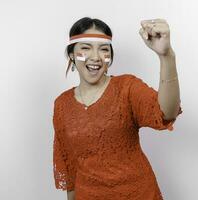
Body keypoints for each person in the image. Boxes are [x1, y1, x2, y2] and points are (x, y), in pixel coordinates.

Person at [52, 17, 183, 200]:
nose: (96, 56)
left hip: (139, 194)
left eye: (103, 49)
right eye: (86, 48)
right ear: (72, 54)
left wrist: (166, 56)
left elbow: (167, 112)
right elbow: (70, 168)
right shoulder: (62, 104)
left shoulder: (127, 87)